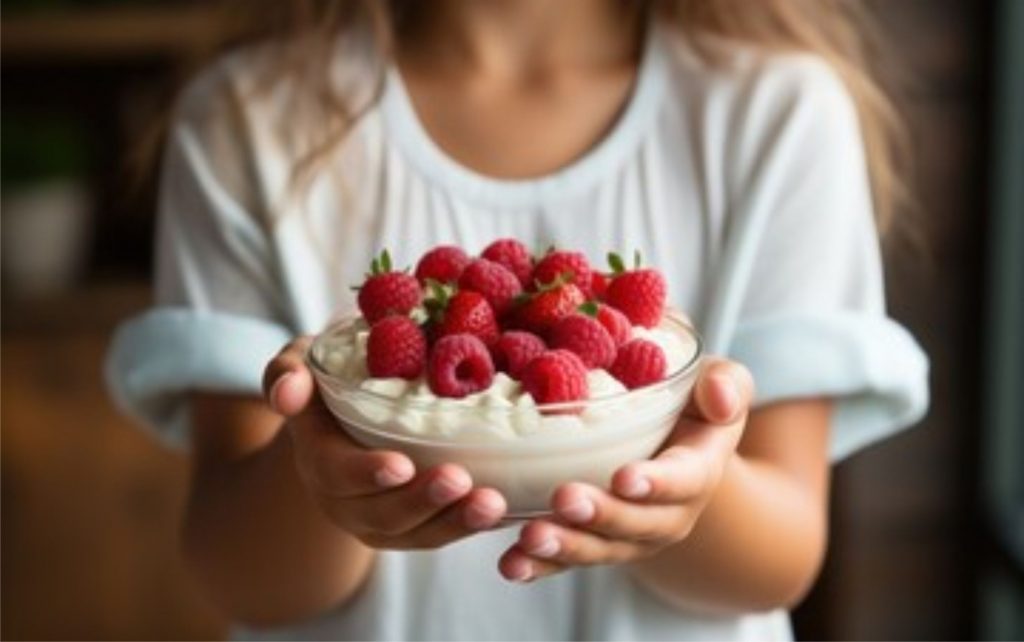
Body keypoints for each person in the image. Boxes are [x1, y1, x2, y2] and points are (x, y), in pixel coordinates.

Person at [106, 1, 929, 639]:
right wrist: (317, 466)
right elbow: (237, 573)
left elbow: (779, 561)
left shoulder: (778, 115)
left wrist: (691, 493)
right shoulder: (245, 122)